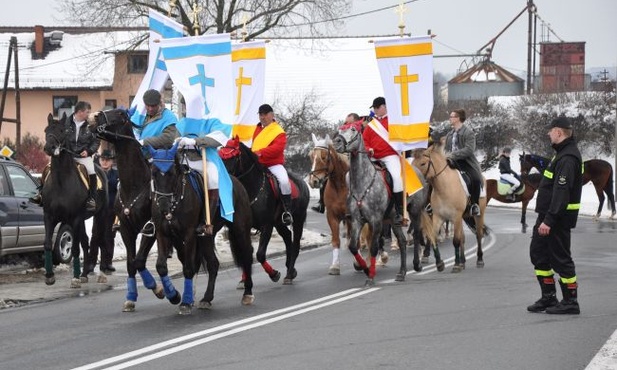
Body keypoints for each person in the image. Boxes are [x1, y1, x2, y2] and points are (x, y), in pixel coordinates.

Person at [527, 116, 582, 315]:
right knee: (538, 255)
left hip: (556, 220)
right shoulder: (560, 154)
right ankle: (549, 297)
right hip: (547, 217)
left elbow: (562, 192)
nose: (548, 134)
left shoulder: (568, 158)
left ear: (558, 132)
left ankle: (570, 302)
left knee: (561, 259)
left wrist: (549, 220)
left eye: (550, 131)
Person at [30, 101, 100, 211]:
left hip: (83, 157)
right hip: (66, 156)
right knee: (47, 168)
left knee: (92, 172)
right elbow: (59, 137)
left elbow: (96, 142)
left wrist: (88, 151)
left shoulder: (91, 125)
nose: (89, 115)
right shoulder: (65, 123)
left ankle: (91, 199)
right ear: (80, 112)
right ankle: (41, 194)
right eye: (87, 112)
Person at [133, 89, 179, 236]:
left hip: (161, 158)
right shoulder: (141, 116)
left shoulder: (169, 117)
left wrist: (145, 142)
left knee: (156, 184)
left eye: (153, 106)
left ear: (160, 103)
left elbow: (168, 138)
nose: (151, 109)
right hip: (140, 158)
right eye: (148, 106)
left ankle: (155, 219)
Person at [362, 97, 405, 226]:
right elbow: (364, 141)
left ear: (384, 107)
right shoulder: (371, 125)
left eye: (377, 107)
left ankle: (399, 210)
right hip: (374, 157)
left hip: (390, 156)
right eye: (373, 108)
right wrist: (368, 148)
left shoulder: (394, 122)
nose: (375, 110)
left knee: (397, 179)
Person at [311, 112, 361, 214]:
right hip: (341, 159)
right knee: (327, 176)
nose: (346, 124)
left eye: (349, 122)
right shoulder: (340, 131)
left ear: (356, 121)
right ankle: (321, 203)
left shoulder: (359, 131)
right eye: (346, 122)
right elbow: (334, 144)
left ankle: (359, 203)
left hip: (356, 157)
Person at [252, 104, 293, 225]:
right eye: (260, 114)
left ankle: (286, 211)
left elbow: (277, 149)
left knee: (284, 181)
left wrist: (260, 153)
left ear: (272, 115)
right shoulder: (257, 129)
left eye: (265, 114)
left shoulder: (278, 131)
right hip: (257, 164)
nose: (263, 117)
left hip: (273, 164)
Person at [444, 108, 483, 217]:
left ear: (458, 118)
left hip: (465, 162)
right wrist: (445, 155)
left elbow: (469, 150)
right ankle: (431, 203)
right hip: (450, 161)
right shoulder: (449, 134)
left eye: (452, 116)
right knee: (434, 175)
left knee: (476, 179)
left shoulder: (468, 133)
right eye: (450, 116)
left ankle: (474, 205)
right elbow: (446, 149)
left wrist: (452, 154)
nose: (450, 118)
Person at [88, 149, 119, 274]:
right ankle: (91, 263)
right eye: (103, 160)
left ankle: (107, 263)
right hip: (99, 210)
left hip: (112, 209)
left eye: (107, 160)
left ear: (111, 161)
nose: (105, 162)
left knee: (109, 237)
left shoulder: (116, 174)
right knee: (96, 236)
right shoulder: (95, 174)